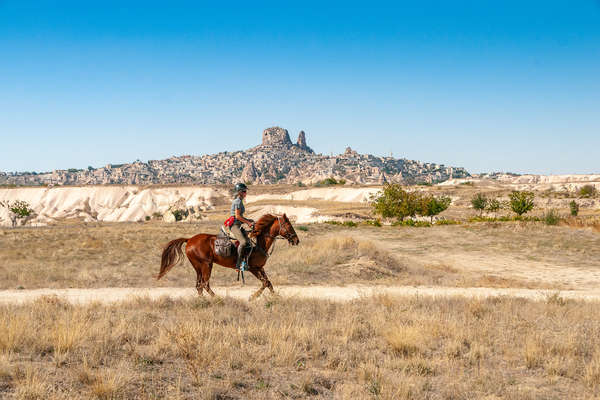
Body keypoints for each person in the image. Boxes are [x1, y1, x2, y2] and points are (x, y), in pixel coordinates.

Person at [229, 183, 254, 270]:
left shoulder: (240, 201)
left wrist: (248, 220)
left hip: (238, 224)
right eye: (244, 191)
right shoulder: (237, 201)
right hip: (234, 225)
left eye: (245, 191)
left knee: (249, 242)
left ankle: (245, 262)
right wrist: (247, 222)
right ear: (239, 192)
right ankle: (238, 264)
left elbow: (240, 216)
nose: (245, 193)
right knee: (243, 242)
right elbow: (238, 216)